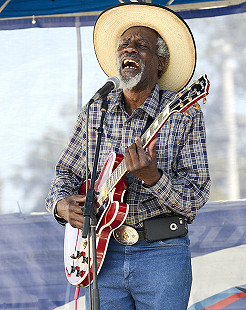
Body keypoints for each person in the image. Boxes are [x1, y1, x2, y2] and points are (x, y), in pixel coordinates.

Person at [46, 3, 210, 309]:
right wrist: (60, 205)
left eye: (141, 45)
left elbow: (196, 196)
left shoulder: (184, 113)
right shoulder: (97, 109)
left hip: (161, 255)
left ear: (160, 63)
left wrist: (154, 179)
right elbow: (66, 174)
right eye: (124, 45)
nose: (129, 51)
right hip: (99, 254)